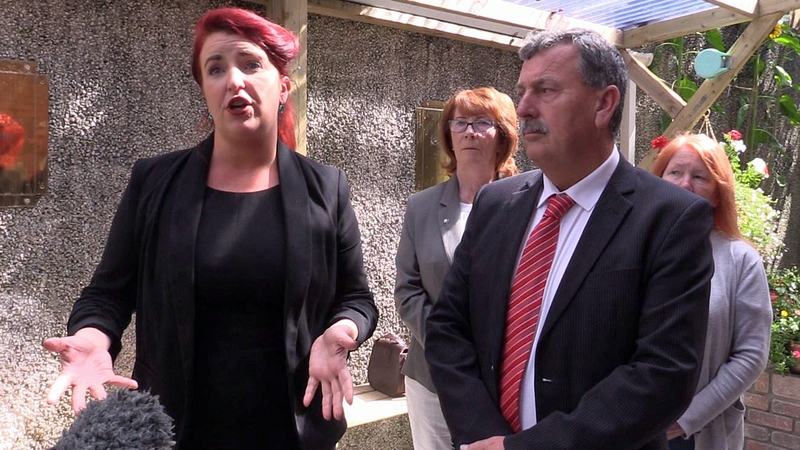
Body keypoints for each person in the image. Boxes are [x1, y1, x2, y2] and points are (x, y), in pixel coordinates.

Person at [42, 7, 378, 450]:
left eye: (250, 64)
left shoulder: (326, 188)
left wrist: (343, 332)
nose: (233, 80)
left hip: (292, 429)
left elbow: (356, 299)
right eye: (215, 69)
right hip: (178, 428)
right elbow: (108, 292)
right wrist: (91, 337)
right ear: (204, 89)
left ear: (283, 85)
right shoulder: (155, 181)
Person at [424, 28, 715, 450]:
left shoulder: (670, 218)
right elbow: (448, 327)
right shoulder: (495, 204)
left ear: (604, 104)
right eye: (522, 90)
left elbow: (663, 374)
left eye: (545, 90)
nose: (523, 108)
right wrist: (484, 437)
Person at [395, 86, 519, 450]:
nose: (469, 131)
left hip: (505, 376)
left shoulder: (528, 204)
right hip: (433, 377)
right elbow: (407, 289)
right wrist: (448, 348)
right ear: (448, 134)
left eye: (482, 122)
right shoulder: (421, 207)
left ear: (504, 136)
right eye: (460, 122)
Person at [651, 133, 772, 450]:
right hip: (631, 424)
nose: (684, 184)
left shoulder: (740, 261)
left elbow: (751, 355)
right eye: (674, 172)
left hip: (694, 433)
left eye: (700, 177)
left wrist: (686, 419)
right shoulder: (635, 250)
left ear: (718, 194)